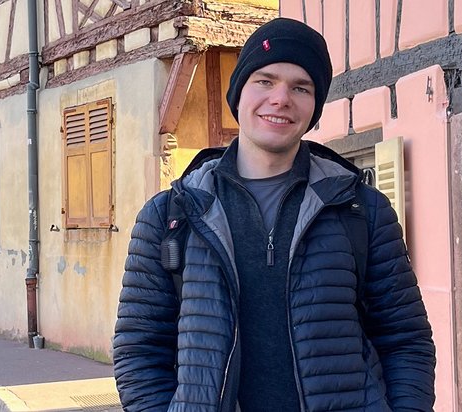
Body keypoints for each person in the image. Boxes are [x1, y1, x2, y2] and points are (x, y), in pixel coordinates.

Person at [112, 18, 435, 411]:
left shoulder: (361, 210)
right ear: (239, 93)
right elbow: (139, 351)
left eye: (301, 87)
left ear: (314, 108)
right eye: (265, 81)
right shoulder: (169, 217)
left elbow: (405, 340)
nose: (281, 98)